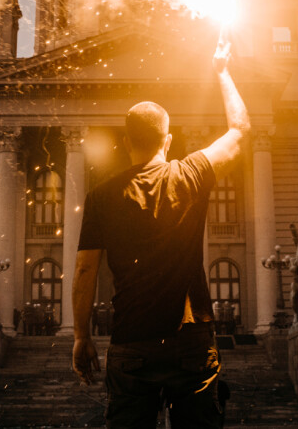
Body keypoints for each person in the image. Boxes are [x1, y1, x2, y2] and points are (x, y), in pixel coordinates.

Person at [71, 32, 250, 428]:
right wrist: (221, 71)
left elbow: (85, 271)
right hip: (191, 342)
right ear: (167, 141)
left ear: (126, 142)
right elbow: (240, 130)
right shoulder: (190, 172)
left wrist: (81, 336)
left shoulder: (101, 196)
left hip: (131, 343)